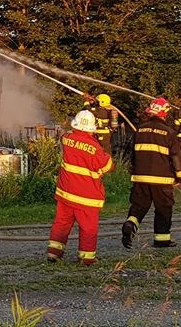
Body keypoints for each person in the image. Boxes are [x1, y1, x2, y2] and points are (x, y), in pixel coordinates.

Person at [47, 110, 114, 265]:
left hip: (66, 192)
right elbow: (107, 166)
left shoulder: (66, 139)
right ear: (91, 128)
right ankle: (86, 258)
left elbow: (67, 137)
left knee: (61, 223)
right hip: (86, 196)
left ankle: (53, 253)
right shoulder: (94, 146)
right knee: (88, 228)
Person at [121, 98, 181, 249]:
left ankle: (130, 223)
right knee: (163, 209)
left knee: (139, 205)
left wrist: (133, 170)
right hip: (162, 179)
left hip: (140, 177)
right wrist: (180, 176)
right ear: (165, 113)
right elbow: (176, 157)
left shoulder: (139, 130)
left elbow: (130, 154)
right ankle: (162, 240)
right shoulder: (169, 132)